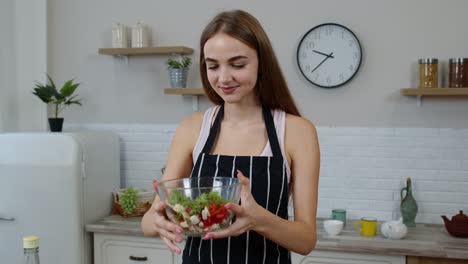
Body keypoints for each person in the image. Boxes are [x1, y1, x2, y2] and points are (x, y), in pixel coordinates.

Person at [142, 9, 320, 264]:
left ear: (262, 64)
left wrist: (260, 219)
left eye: (238, 64)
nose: (224, 78)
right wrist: (159, 221)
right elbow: (148, 221)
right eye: (213, 66)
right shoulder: (193, 128)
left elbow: (306, 240)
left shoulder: (296, 131)